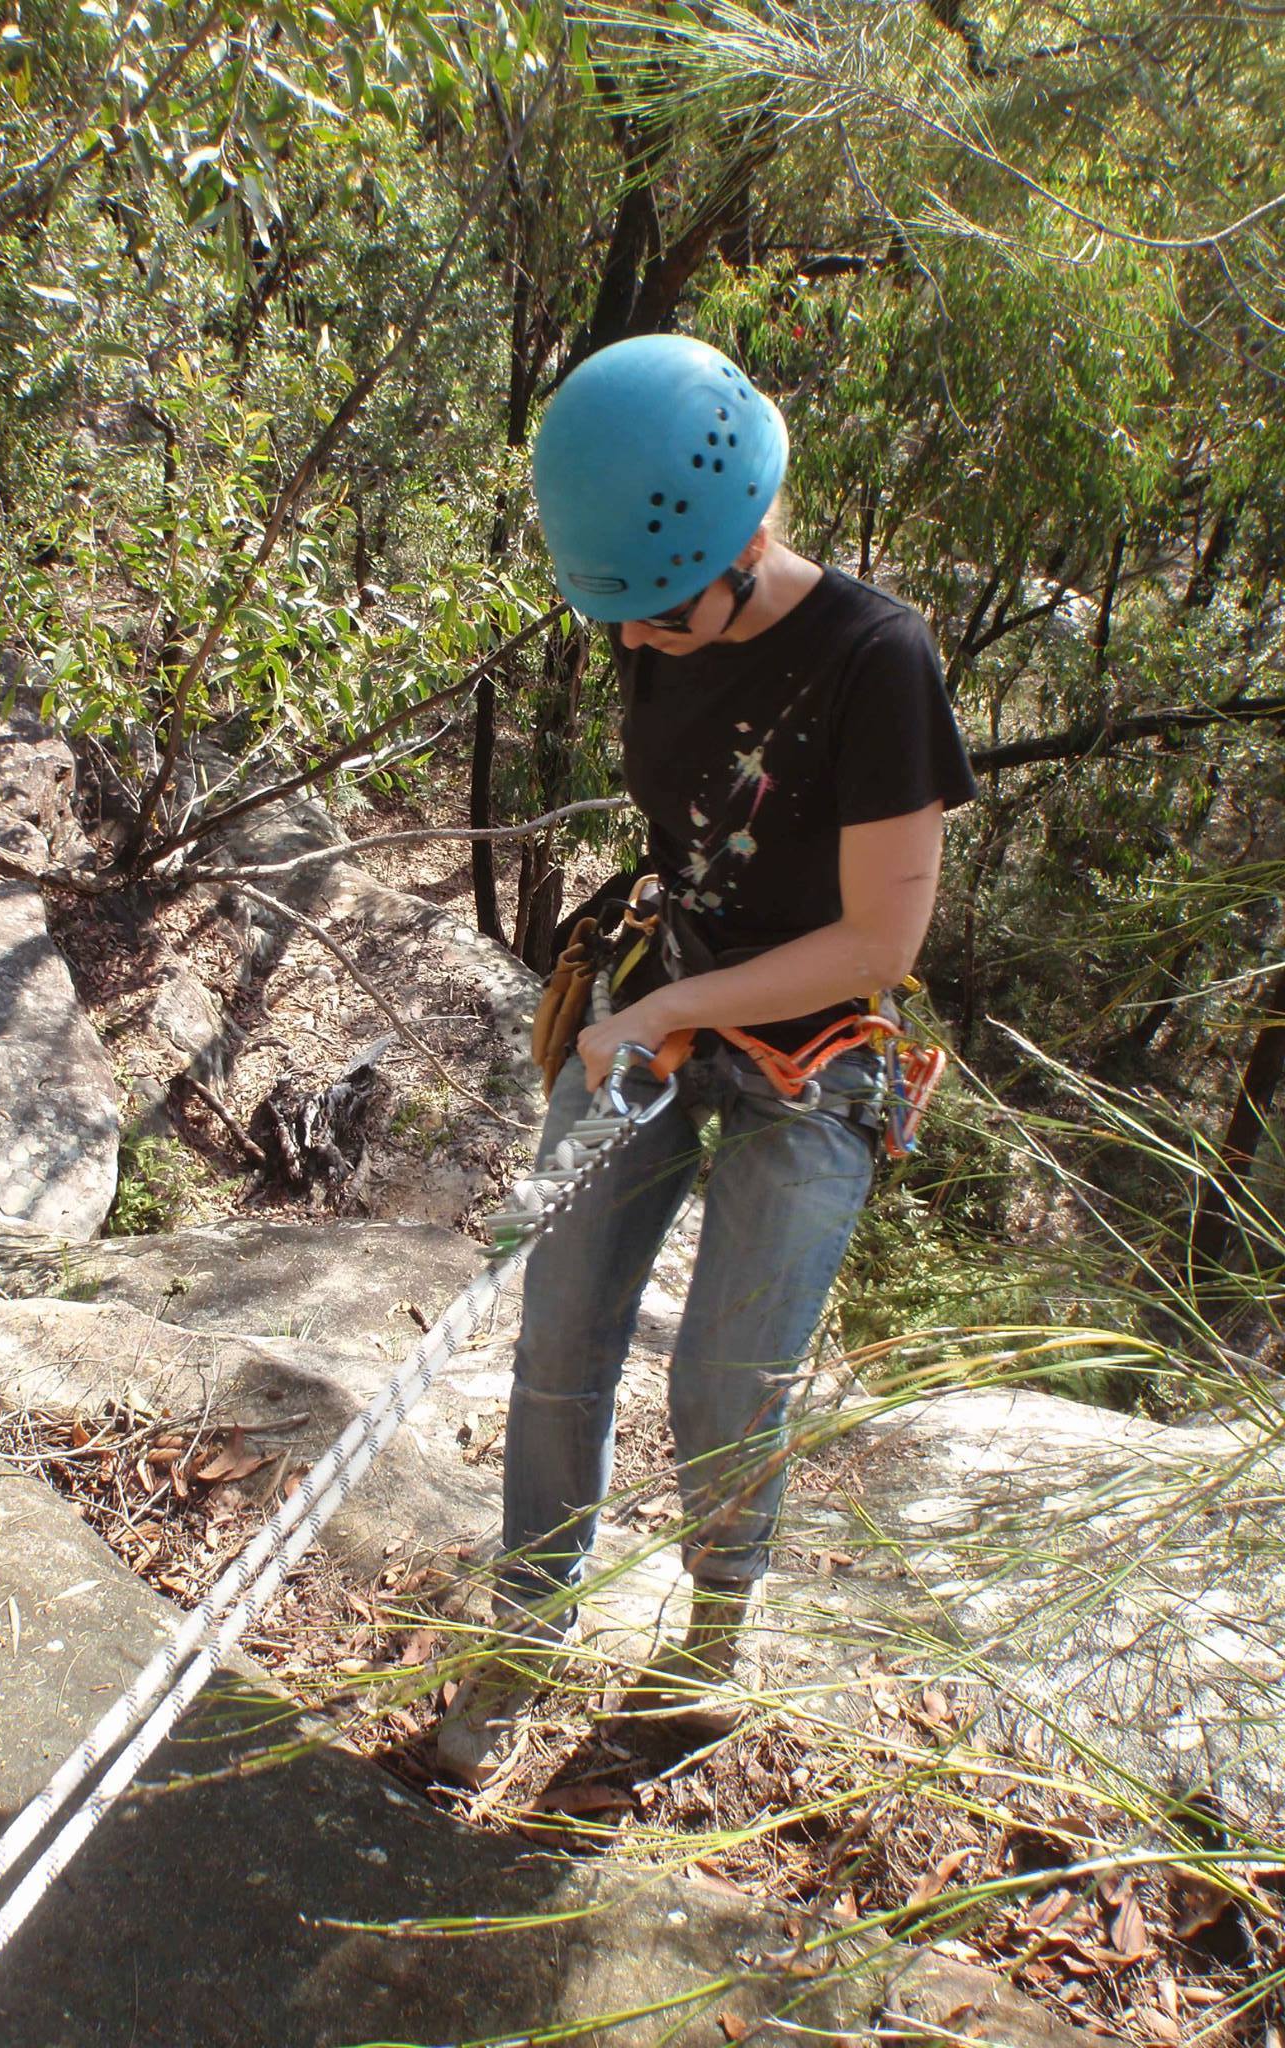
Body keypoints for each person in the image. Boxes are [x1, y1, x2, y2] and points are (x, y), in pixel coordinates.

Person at [436, 334, 976, 1784]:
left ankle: (713, 1636)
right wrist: (650, 1008)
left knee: (728, 1379)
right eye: (618, 619)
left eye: (662, 618)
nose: (632, 646)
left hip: (815, 1054)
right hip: (665, 1001)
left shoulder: (881, 663)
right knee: (559, 1329)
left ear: (748, 540)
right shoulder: (651, 611)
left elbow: (878, 945)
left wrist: (675, 1016)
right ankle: (528, 1625)